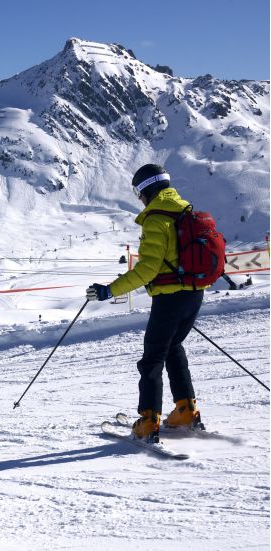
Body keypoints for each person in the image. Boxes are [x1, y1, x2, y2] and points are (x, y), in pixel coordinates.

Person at [86, 164, 205, 442]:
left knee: (152, 357)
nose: (139, 198)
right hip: (194, 292)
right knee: (174, 347)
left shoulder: (156, 218)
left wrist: (109, 291)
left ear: (146, 190)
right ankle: (185, 411)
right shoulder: (185, 211)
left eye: (138, 193)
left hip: (170, 298)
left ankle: (149, 420)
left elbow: (148, 269)